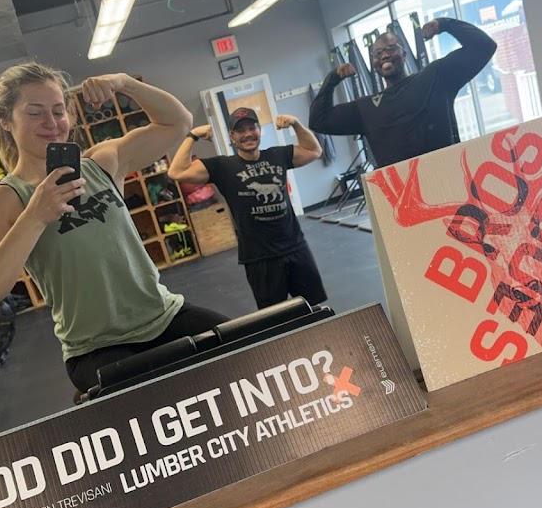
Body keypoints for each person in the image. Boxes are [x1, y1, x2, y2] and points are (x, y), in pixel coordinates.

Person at [0, 63, 227, 395]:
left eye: (58, 111)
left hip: (164, 315)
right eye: (35, 113)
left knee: (253, 352)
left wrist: (124, 82)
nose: (52, 122)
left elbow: (178, 122)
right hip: (97, 346)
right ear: (5, 121)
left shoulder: (102, 163)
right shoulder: (5, 199)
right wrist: (35, 217)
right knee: (152, 406)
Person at [168, 108, 327, 310]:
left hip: (296, 247)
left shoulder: (278, 155)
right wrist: (193, 135)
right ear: (232, 137)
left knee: (315, 309)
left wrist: (296, 123)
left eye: (252, 128)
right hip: (260, 258)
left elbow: (314, 151)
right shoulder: (222, 166)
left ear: (259, 130)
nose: (248, 134)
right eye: (240, 130)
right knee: (276, 317)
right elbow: (176, 172)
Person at [309, 17, 497, 167]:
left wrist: (445, 24)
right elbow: (318, 120)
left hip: (449, 181)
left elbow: (484, 46)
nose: (384, 55)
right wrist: (332, 79)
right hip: (405, 196)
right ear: (374, 63)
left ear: (404, 53)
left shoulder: (435, 77)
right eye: (377, 53)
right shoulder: (366, 109)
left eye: (391, 48)